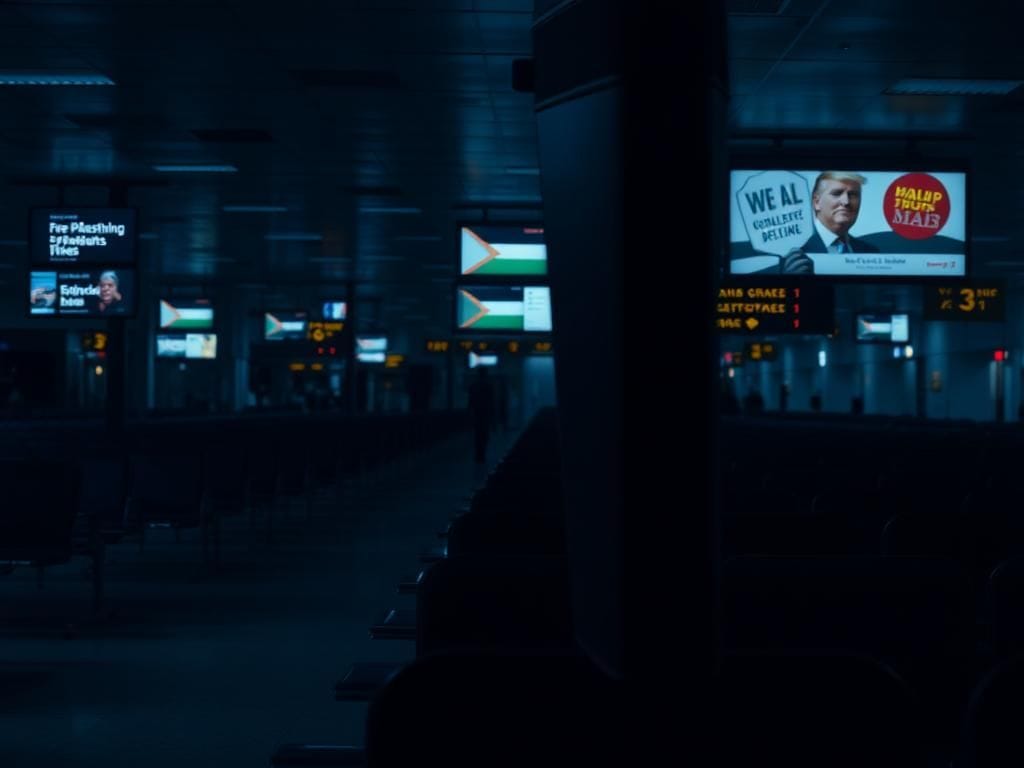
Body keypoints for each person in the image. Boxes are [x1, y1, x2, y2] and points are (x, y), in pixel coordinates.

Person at [780, 171, 880, 274]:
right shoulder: (793, 256)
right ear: (816, 202)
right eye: (837, 193)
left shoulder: (871, 252)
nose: (846, 201)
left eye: (853, 195)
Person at [468, 367, 495, 465]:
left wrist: (470, 413)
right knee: (484, 435)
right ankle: (482, 455)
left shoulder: (473, 386)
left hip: (477, 413)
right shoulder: (488, 386)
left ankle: (478, 455)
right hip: (485, 413)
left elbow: (470, 401)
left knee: (477, 435)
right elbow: (491, 402)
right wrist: (493, 417)